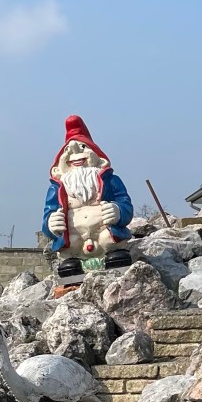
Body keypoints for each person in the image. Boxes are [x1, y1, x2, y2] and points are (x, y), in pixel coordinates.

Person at [42, 116, 133, 281]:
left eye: (82, 147)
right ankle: (74, 267)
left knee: (112, 246)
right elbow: (48, 215)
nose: (75, 154)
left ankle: (114, 257)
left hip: (106, 237)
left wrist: (118, 212)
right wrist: (50, 224)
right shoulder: (57, 188)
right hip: (74, 244)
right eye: (69, 151)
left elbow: (125, 204)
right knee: (70, 260)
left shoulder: (110, 180)